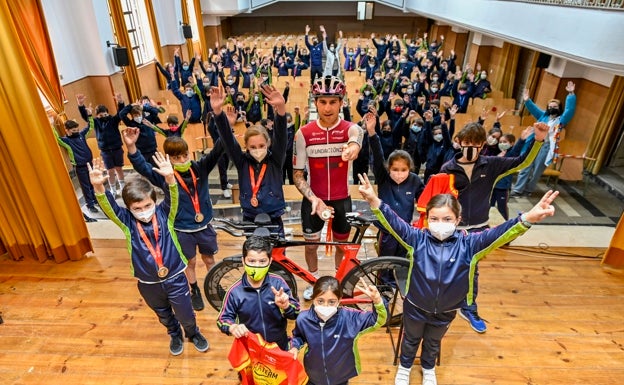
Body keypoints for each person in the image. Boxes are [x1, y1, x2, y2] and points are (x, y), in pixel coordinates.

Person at [357, 172, 559, 385]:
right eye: (434, 219)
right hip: (416, 305)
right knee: (410, 339)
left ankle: (428, 369)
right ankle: (405, 368)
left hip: (447, 310)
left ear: (458, 220)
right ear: (427, 218)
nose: (439, 223)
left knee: (433, 342)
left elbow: (501, 232)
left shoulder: (470, 245)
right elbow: (394, 222)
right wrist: (373, 199)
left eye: (447, 219)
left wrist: (527, 218)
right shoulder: (416, 239)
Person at [88, 155, 209, 356]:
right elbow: (109, 208)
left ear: (155, 201)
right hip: (148, 282)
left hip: (175, 277)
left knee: (186, 312)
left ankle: (192, 333)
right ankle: (174, 334)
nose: (143, 211)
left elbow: (174, 196)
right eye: (137, 208)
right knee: (162, 314)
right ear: (128, 209)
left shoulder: (166, 213)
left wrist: (171, 178)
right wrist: (99, 188)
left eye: (147, 206)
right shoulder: (126, 222)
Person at [440, 121, 548, 333]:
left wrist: (538, 140)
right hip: (453, 227)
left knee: (472, 266)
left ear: (482, 145)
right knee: (448, 265)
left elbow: (521, 163)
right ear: (459, 142)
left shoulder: (491, 165)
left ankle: (468, 307)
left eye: (476, 144)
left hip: (479, 227)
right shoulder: (447, 169)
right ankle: (446, 302)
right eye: (467, 142)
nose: (471, 147)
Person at [123, 127, 224, 312]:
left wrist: (223, 123)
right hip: (182, 228)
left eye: (185, 155)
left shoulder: (199, 167)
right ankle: (194, 290)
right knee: (190, 262)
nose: (182, 160)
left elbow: (219, 149)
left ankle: (215, 286)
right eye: (176, 158)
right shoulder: (164, 176)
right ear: (169, 158)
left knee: (210, 259)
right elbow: (142, 166)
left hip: (204, 225)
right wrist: (131, 147)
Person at [293, 75, 364, 300]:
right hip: (314, 199)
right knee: (311, 246)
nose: (327, 107)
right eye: (322, 102)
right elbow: (297, 175)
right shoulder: (303, 134)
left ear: (341, 103)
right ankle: (313, 282)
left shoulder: (349, 129)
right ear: (315, 103)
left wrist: (353, 144)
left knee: (342, 246)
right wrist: (313, 198)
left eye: (333, 101)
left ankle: (337, 281)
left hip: (342, 198)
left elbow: (357, 133)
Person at [211, 83, 289, 236]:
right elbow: (227, 140)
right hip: (249, 217)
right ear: (246, 146)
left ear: (268, 143)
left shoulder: (275, 160)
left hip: (274, 217)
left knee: (277, 256)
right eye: (253, 147)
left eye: (261, 145)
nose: (257, 149)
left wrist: (280, 110)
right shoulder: (242, 162)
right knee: (252, 257)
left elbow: (281, 137)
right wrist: (218, 113)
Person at [290, 276, 387, 385]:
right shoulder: (303, 319)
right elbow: (298, 336)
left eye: (331, 302)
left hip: (340, 377)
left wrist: (378, 301)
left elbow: (377, 320)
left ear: (339, 300)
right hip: (313, 375)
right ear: (313, 298)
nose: (325, 306)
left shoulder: (350, 319)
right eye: (320, 301)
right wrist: (294, 347)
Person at [217, 236, 300, 351]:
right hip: (251, 348)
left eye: (262, 261)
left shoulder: (278, 283)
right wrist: (232, 327)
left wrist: (286, 306)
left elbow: (295, 312)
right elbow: (222, 319)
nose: (257, 266)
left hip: (279, 346)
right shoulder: (234, 292)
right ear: (243, 260)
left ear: (270, 261)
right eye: (251, 261)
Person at [363, 112, 424, 258]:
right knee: (384, 264)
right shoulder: (383, 178)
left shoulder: (415, 180)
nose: (399, 173)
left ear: (410, 169)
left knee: (402, 264)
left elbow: (426, 200)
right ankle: (384, 281)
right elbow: (378, 155)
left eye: (403, 170)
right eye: (395, 169)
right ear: (388, 168)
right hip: (386, 231)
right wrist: (372, 132)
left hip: (405, 231)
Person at [511, 81, 577, 197]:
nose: (552, 108)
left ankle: (528, 190)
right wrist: (527, 100)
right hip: (534, 144)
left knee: (537, 171)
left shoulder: (561, 119)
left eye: (555, 107)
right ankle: (517, 189)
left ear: (559, 108)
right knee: (526, 165)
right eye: (550, 107)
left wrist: (571, 94)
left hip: (546, 147)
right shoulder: (543, 116)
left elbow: (570, 110)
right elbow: (533, 109)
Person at [77, 93, 125, 196]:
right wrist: (81, 105)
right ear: (97, 115)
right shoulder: (96, 122)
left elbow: (121, 112)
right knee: (110, 171)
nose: (103, 116)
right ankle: (113, 190)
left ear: (108, 113)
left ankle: (123, 187)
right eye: (100, 115)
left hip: (117, 148)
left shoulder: (113, 120)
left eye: (105, 114)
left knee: (119, 169)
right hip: (105, 151)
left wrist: (120, 102)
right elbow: (86, 117)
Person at [54, 118, 98, 215]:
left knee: (92, 183)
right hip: (80, 167)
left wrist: (90, 115)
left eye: (77, 130)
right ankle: (90, 205)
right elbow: (56, 138)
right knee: (85, 186)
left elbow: (90, 126)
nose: (76, 132)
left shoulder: (81, 135)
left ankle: (95, 199)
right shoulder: (66, 141)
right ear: (67, 130)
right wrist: (51, 126)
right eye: (74, 131)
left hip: (89, 164)